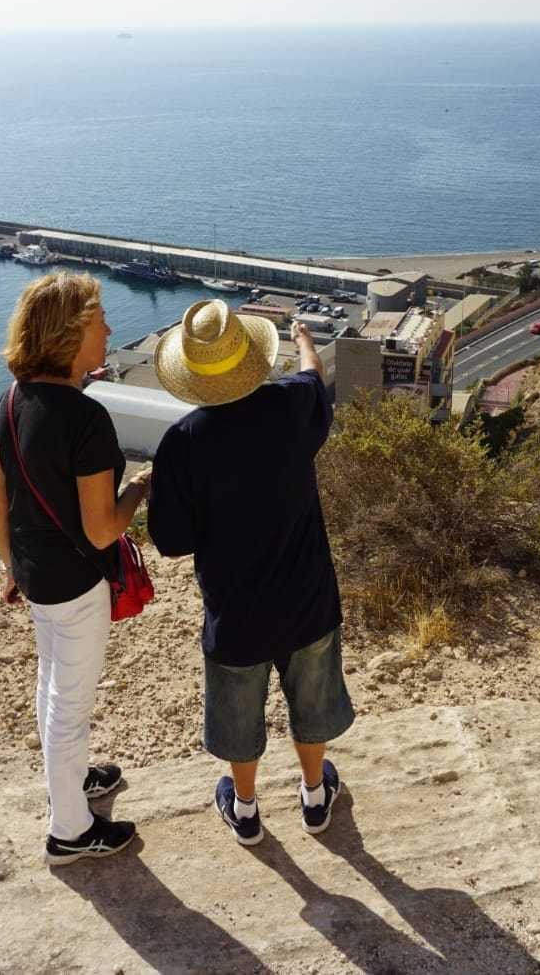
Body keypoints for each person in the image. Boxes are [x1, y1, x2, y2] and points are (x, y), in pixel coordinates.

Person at [149, 299, 354, 846]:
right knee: (311, 702)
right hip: (307, 596)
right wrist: (304, 338)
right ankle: (314, 796)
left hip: (235, 609)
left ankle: (245, 810)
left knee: (239, 713)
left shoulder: (183, 442)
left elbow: (169, 541)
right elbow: (314, 379)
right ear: (251, 356)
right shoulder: (289, 406)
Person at [0, 272, 152, 866]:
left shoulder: (8, 403)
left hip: (35, 573)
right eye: (99, 320)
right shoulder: (86, 419)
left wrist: (12, 566)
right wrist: (138, 489)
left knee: (51, 682)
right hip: (78, 583)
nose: (108, 328)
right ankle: (71, 832)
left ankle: (71, 783)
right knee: (70, 703)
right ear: (71, 332)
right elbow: (104, 528)